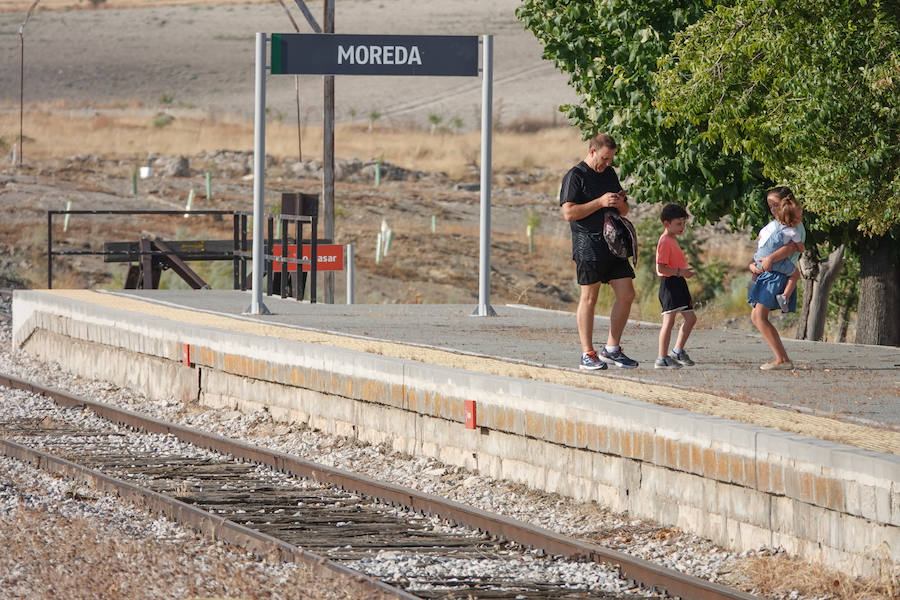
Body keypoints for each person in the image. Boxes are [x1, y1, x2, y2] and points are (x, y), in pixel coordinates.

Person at [559, 133, 638, 370]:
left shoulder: (610, 174)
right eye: (604, 158)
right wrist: (600, 202)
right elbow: (568, 214)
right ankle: (587, 354)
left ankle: (612, 349)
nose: (607, 164)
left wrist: (620, 203)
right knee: (589, 298)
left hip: (613, 244)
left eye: (611, 159)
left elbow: (623, 211)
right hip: (588, 246)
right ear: (592, 151)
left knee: (627, 294)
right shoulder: (575, 176)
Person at [747, 186, 805, 370]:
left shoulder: (793, 225)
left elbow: (790, 248)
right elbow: (763, 248)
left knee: (759, 316)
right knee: (756, 316)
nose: (772, 208)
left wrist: (771, 259)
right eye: (770, 205)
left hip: (776, 275)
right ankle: (781, 358)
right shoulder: (775, 224)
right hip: (765, 273)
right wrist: (753, 264)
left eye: (775, 204)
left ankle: (782, 359)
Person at [654, 204, 697, 369]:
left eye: (683, 223)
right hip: (670, 284)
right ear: (667, 224)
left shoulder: (671, 240)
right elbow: (660, 268)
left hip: (679, 282)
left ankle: (677, 351)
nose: (682, 227)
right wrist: (680, 272)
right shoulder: (664, 241)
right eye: (678, 224)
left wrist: (683, 274)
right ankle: (662, 358)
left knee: (691, 318)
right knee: (669, 322)